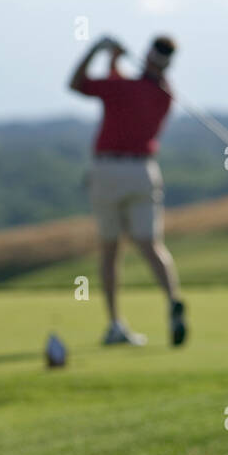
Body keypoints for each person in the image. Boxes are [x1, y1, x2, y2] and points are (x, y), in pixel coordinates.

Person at [69, 35, 187, 346]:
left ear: (148, 56)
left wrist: (99, 50)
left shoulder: (124, 88)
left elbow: (76, 83)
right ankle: (173, 299)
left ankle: (115, 324)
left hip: (107, 170)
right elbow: (129, 88)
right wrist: (116, 64)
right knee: (150, 244)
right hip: (143, 171)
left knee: (110, 250)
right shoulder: (164, 94)